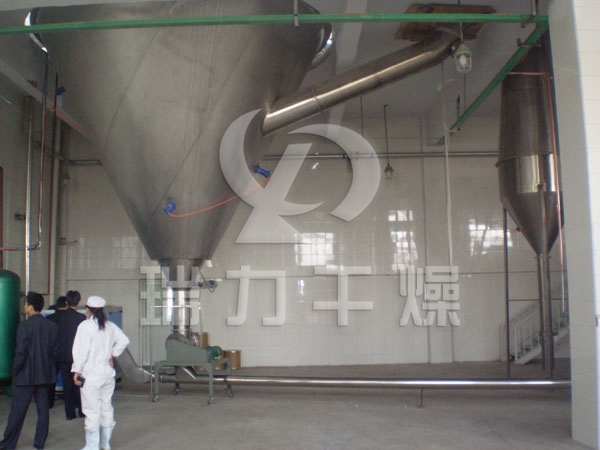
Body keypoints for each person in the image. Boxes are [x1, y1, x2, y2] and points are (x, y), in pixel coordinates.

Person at [0, 292, 59, 450]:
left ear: (31, 307)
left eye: (25, 304)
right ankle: (39, 443)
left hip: (25, 376)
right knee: (43, 410)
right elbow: (55, 352)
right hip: (45, 375)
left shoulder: (24, 327)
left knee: (17, 413)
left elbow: (21, 353)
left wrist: (15, 370)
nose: (24, 306)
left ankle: (8, 444)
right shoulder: (52, 327)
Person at [72, 296, 129, 450]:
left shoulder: (85, 326)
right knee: (106, 408)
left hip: (91, 376)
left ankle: (92, 446)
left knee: (91, 410)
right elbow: (124, 340)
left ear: (88, 310)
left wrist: (77, 370)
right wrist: (113, 354)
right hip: (107, 375)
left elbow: (80, 351)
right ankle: (105, 444)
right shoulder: (109, 326)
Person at [48, 291, 86, 419]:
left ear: (66, 302)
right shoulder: (81, 318)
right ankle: (82, 411)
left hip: (62, 356)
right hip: (77, 357)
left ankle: (69, 414)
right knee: (79, 383)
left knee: (67, 384)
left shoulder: (57, 318)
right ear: (79, 302)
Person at [47, 295, 69, 410]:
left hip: (52, 354)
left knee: (51, 379)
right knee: (68, 380)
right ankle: (70, 404)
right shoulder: (70, 318)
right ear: (66, 304)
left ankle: (49, 403)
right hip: (66, 353)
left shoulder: (49, 318)